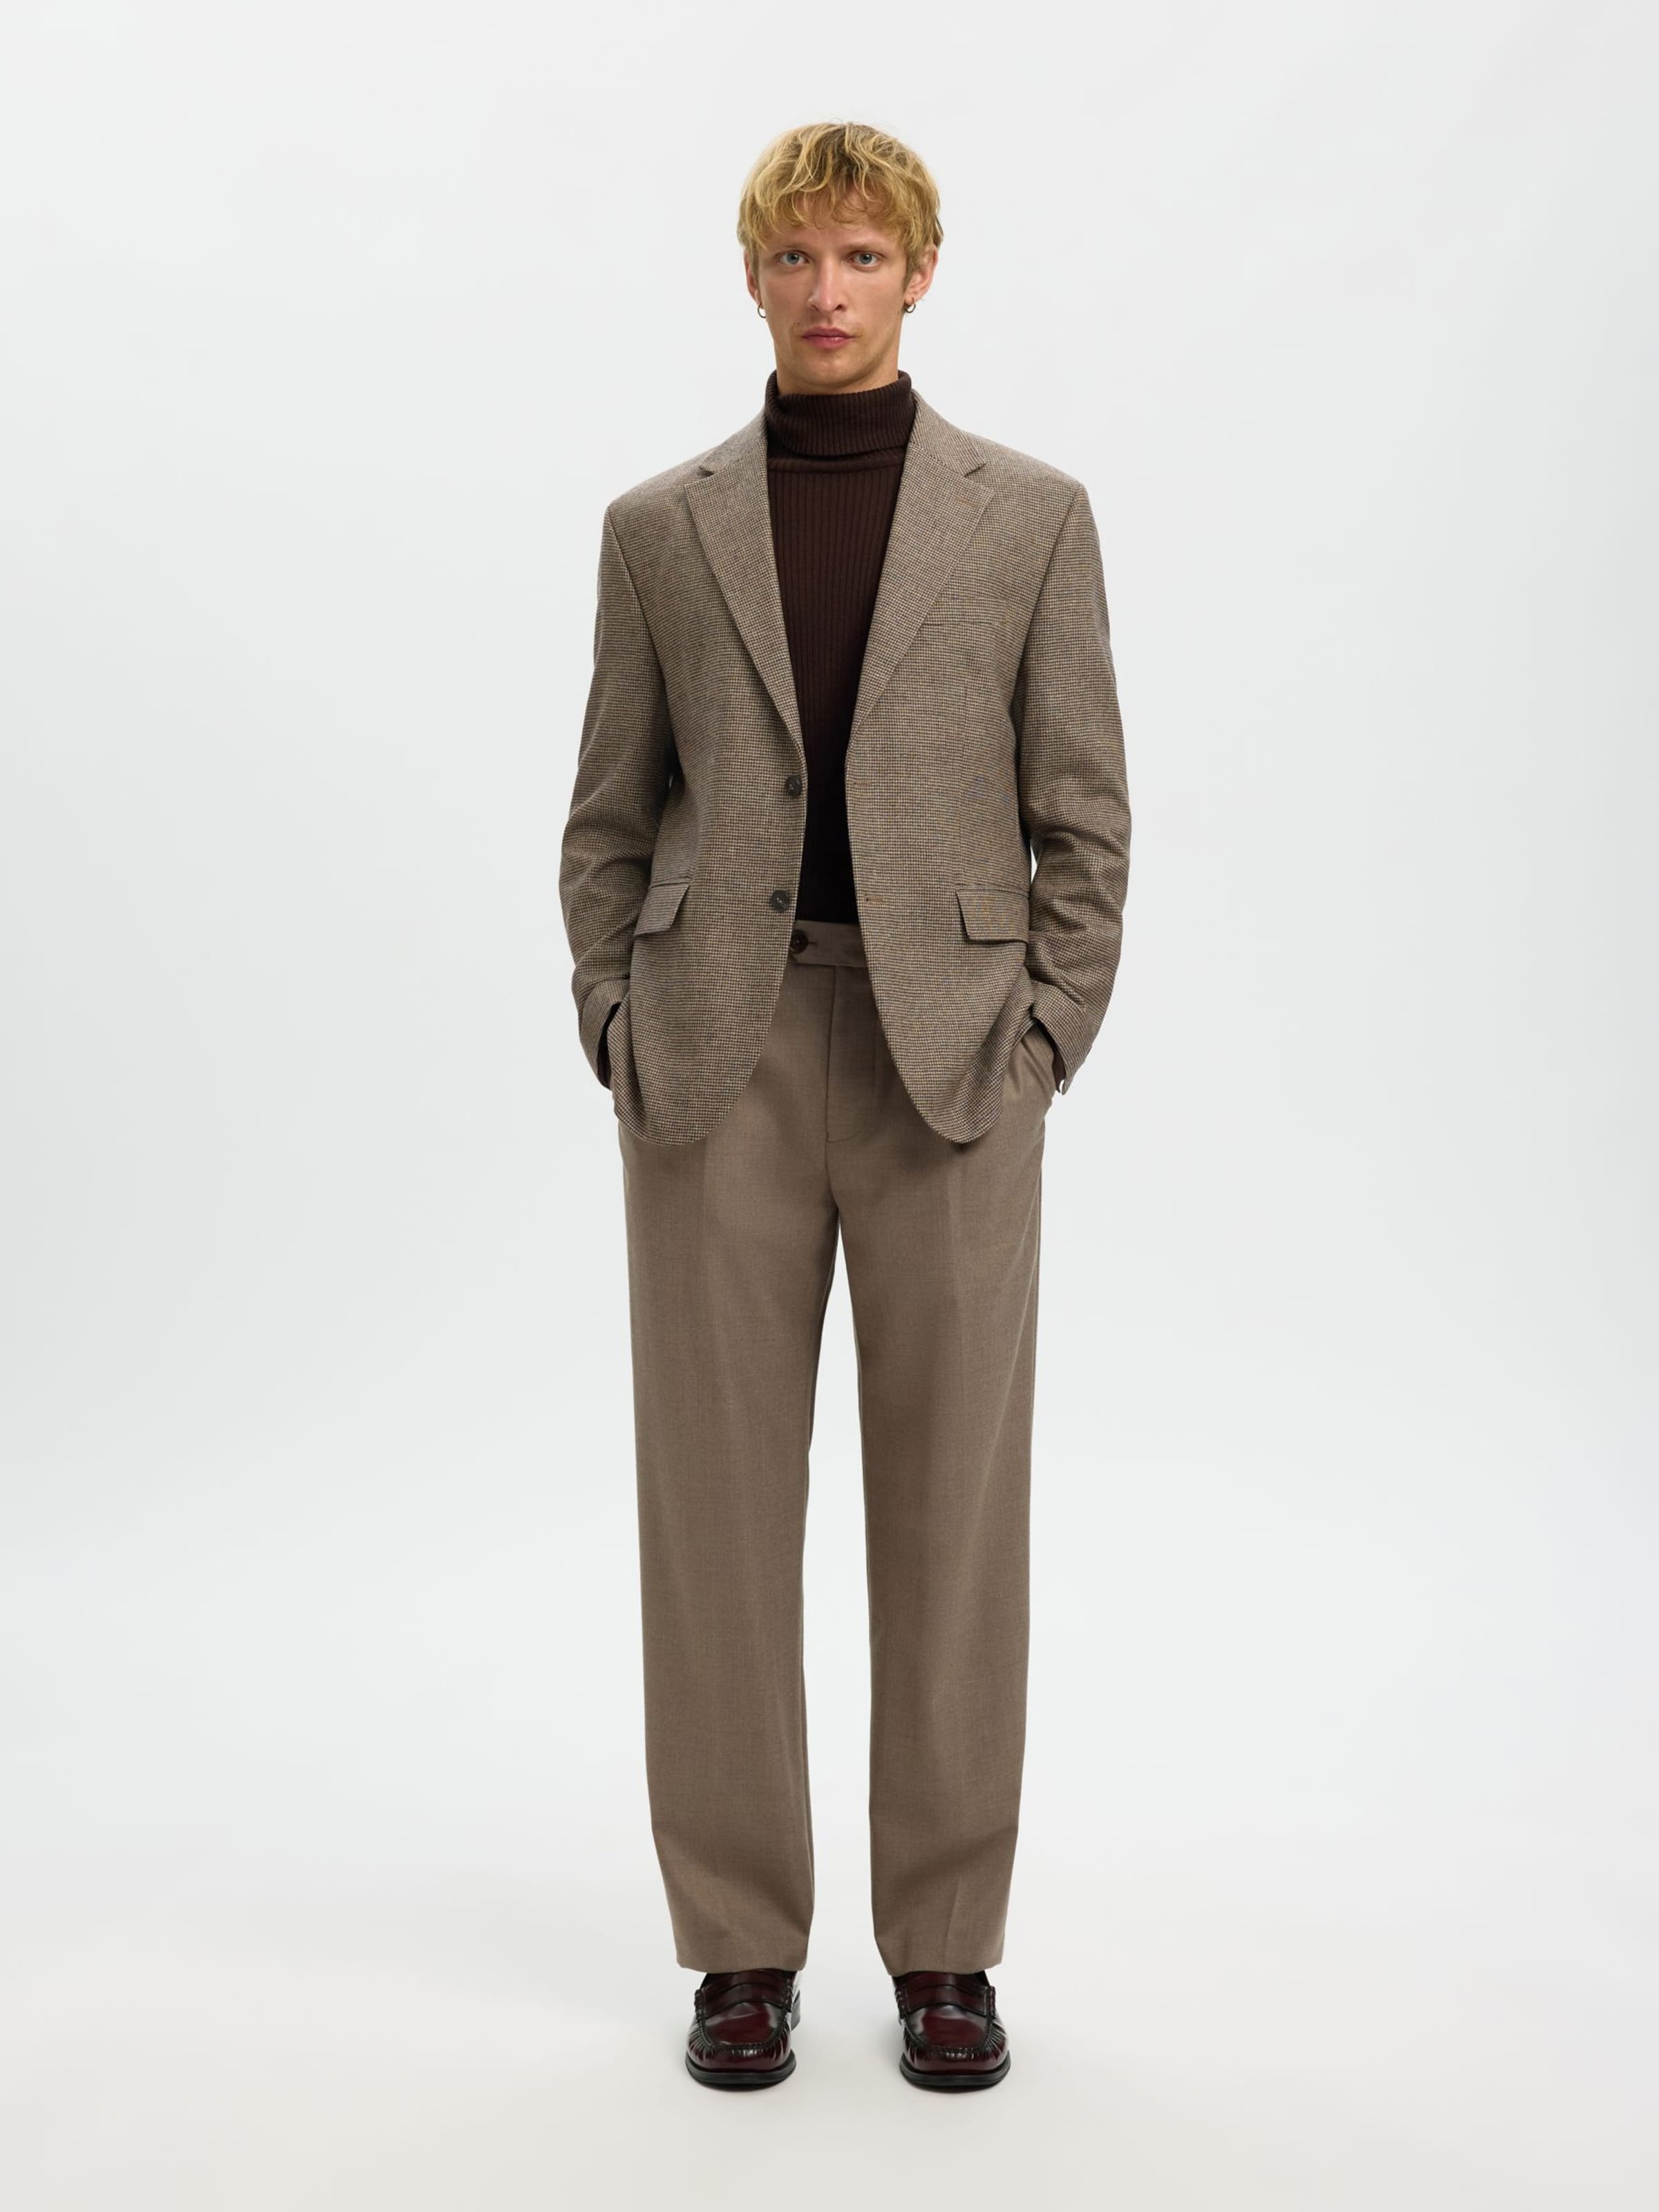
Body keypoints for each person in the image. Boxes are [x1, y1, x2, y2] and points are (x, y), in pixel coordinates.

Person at [559, 118, 1131, 2092]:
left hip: (950, 1067)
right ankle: (740, 1951)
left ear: (919, 275)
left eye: (863, 256)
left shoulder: (1029, 516)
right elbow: (607, 814)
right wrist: (616, 1020)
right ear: (752, 278)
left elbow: (1085, 814)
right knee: (714, 1520)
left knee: (955, 1519)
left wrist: (1044, 1039)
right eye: (796, 257)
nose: (828, 290)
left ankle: (947, 1948)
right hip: (712, 1062)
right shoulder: (660, 527)